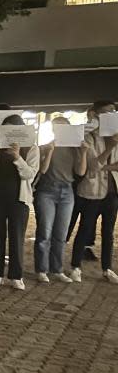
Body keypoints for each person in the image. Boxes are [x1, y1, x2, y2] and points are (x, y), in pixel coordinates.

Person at [0, 114, 39, 289]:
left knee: (16, 236)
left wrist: (17, 157)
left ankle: (16, 275)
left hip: (19, 197)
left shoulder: (31, 148)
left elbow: (30, 174)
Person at [34, 117, 88, 283]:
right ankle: (42, 269)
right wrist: (49, 151)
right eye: (57, 127)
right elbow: (42, 169)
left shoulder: (74, 149)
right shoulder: (46, 146)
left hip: (67, 191)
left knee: (61, 234)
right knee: (45, 232)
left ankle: (56, 269)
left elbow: (80, 171)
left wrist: (83, 152)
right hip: (47, 190)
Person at [70, 106, 118, 284]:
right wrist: (110, 148)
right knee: (85, 228)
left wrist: (104, 165)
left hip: (112, 193)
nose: (111, 116)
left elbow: (102, 165)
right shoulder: (89, 137)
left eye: (113, 112)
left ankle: (107, 268)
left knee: (108, 232)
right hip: (91, 191)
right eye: (106, 112)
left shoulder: (115, 135)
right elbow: (91, 166)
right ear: (95, 115)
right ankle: (75, 266)